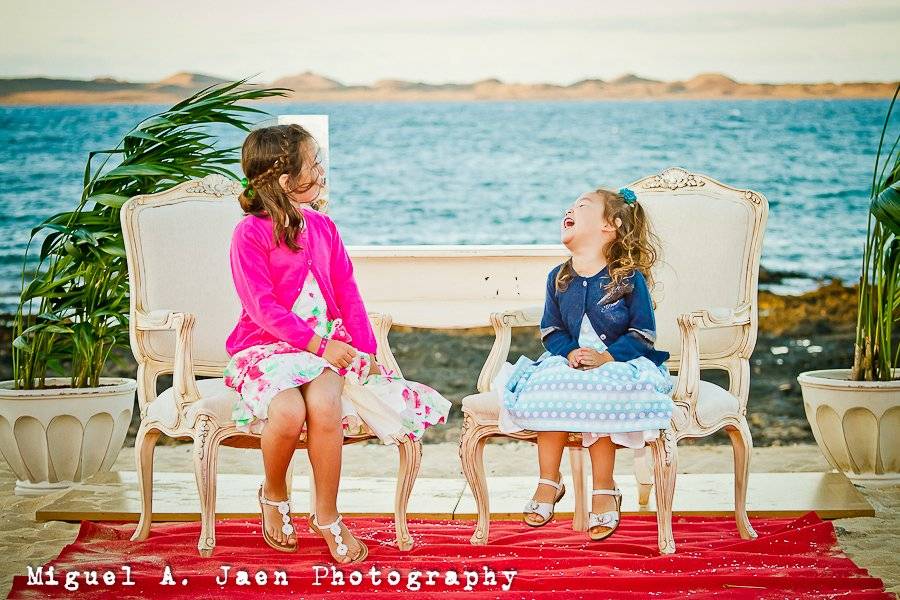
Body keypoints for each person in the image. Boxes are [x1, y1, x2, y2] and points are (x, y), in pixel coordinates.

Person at [223, 124, 451, 561]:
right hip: (266, 347)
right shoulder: (249, 234)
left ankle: (326, 514)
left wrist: (367, 350)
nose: (323, 171)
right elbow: (261, 307)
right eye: (315, 164)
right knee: (288, 411)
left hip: (325, 346)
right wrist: (318, 345)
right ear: (285, 179)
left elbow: (348, 292)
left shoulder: (324, 228)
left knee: (326, 406)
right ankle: (273, 494)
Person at [495, 186, 674, 541]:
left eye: (582, 206)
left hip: (621, 360)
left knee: (602, 390)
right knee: (550, 386)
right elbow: (551, 330)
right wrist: (569, 352)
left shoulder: (628, 278)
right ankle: (549, 480)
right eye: (570, 206)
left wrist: (607, 357)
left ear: (610, 226)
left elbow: (644, 332)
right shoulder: (558, 278)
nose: (569, 209)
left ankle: (605, 487)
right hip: (570, 361)